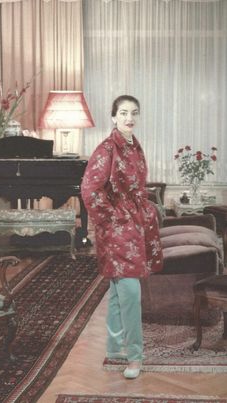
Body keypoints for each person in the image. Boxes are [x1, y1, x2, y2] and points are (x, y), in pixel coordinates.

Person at [81, 95, 163, 379]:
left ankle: (115, 347)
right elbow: (89, 189)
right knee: (130, 292)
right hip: (118, 229)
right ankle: (135, 356)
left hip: (134, 226)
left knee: (118, 290)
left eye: (134, 113)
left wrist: (139, 212)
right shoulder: (106, 150)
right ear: (113, 117)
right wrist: (115, 217)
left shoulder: (133, 145)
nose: (130, 118)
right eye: (124, 113)